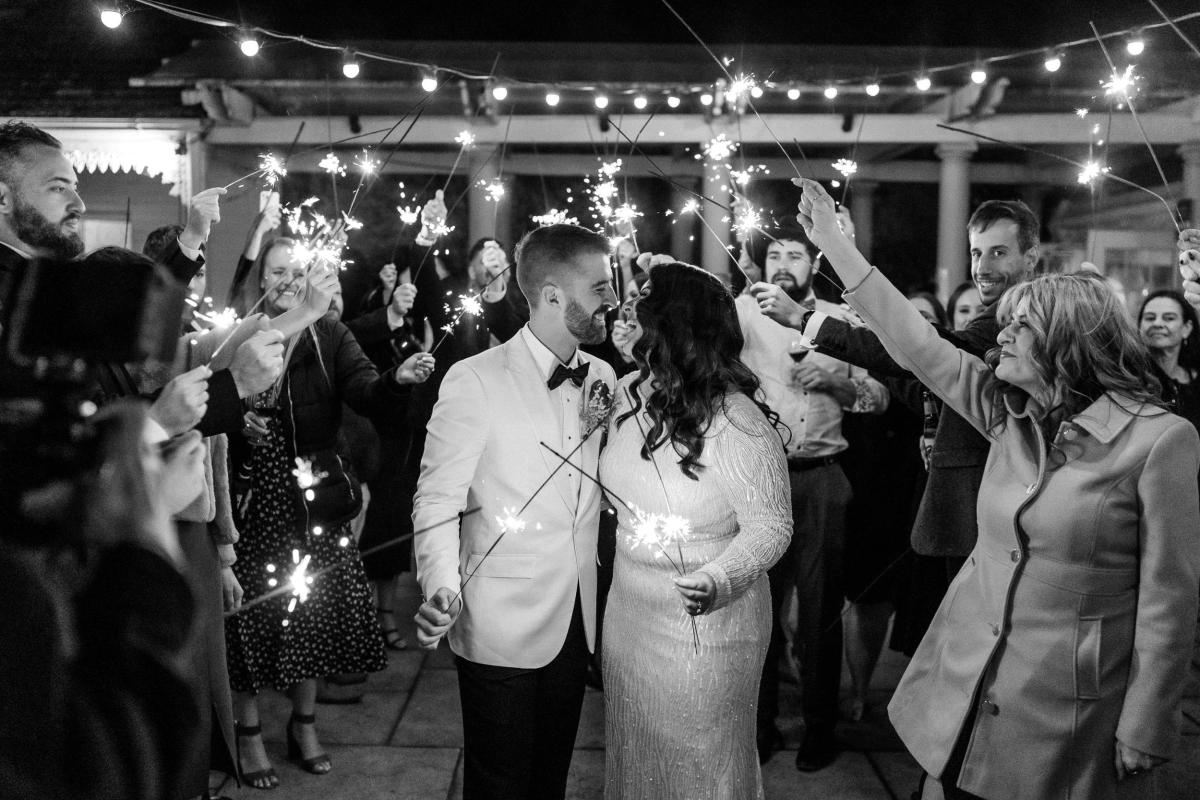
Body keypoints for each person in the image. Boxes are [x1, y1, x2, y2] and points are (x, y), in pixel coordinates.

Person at [794, 177, 1200, 800]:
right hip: (970, 671)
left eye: (1018, 328)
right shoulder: (1004, 411)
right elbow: (914, 342)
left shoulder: (1159, 441)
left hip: (1064, 694)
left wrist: (1149, 719)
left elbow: (1169, 601)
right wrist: (835, 246)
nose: (999, 338)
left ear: (1066, 343)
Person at [413, 223, 618, 800]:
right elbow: (436, 499)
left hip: (578, 616)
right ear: (553, 294)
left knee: (550, 778)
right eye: (601, 287)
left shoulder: (602, 377)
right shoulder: (473, 379)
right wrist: (438, 588)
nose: (614, 298)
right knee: (498, 785)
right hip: (499, 616)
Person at [224, 237, 434, 789]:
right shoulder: (243, 331)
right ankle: (248, 733)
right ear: (259, 278)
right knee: (251, 613)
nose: (287, 280)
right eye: (275, 271)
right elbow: (221, 402)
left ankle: (304, 725)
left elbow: (364, 390)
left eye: (296, 270)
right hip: (256, 495)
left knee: (315, 610)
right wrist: (239, 427)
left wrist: (397, 380)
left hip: (315, 491)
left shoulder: (329, 332)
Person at [600, 259, 791, 799]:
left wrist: (719, 579)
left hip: (707, 623)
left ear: (675, 323)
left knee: (701, 762)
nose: (630, 307)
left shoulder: (738, 421)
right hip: (629, 612)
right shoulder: (625, 394)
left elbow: (772, 526)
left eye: (644, 299)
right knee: (635, 753)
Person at [744, 227, 890, 770]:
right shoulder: (742, 313)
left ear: (813, 262)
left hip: (824, 478)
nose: (782, 263)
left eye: (795, 254)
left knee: (821, 613)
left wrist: (835, 380)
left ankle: (819, 730)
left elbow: (877, 399)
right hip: (760, 479)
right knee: (758, 610)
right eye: (774, 255)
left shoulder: (841, 319)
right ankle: (758, 728)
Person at [1139, 289, 1200, 433]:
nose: (1158, 323)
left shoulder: (1196, 380)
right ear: (1139, 326)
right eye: (1149, 318)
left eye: (1169, 318)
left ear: (1186, 328)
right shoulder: (1129, 377)